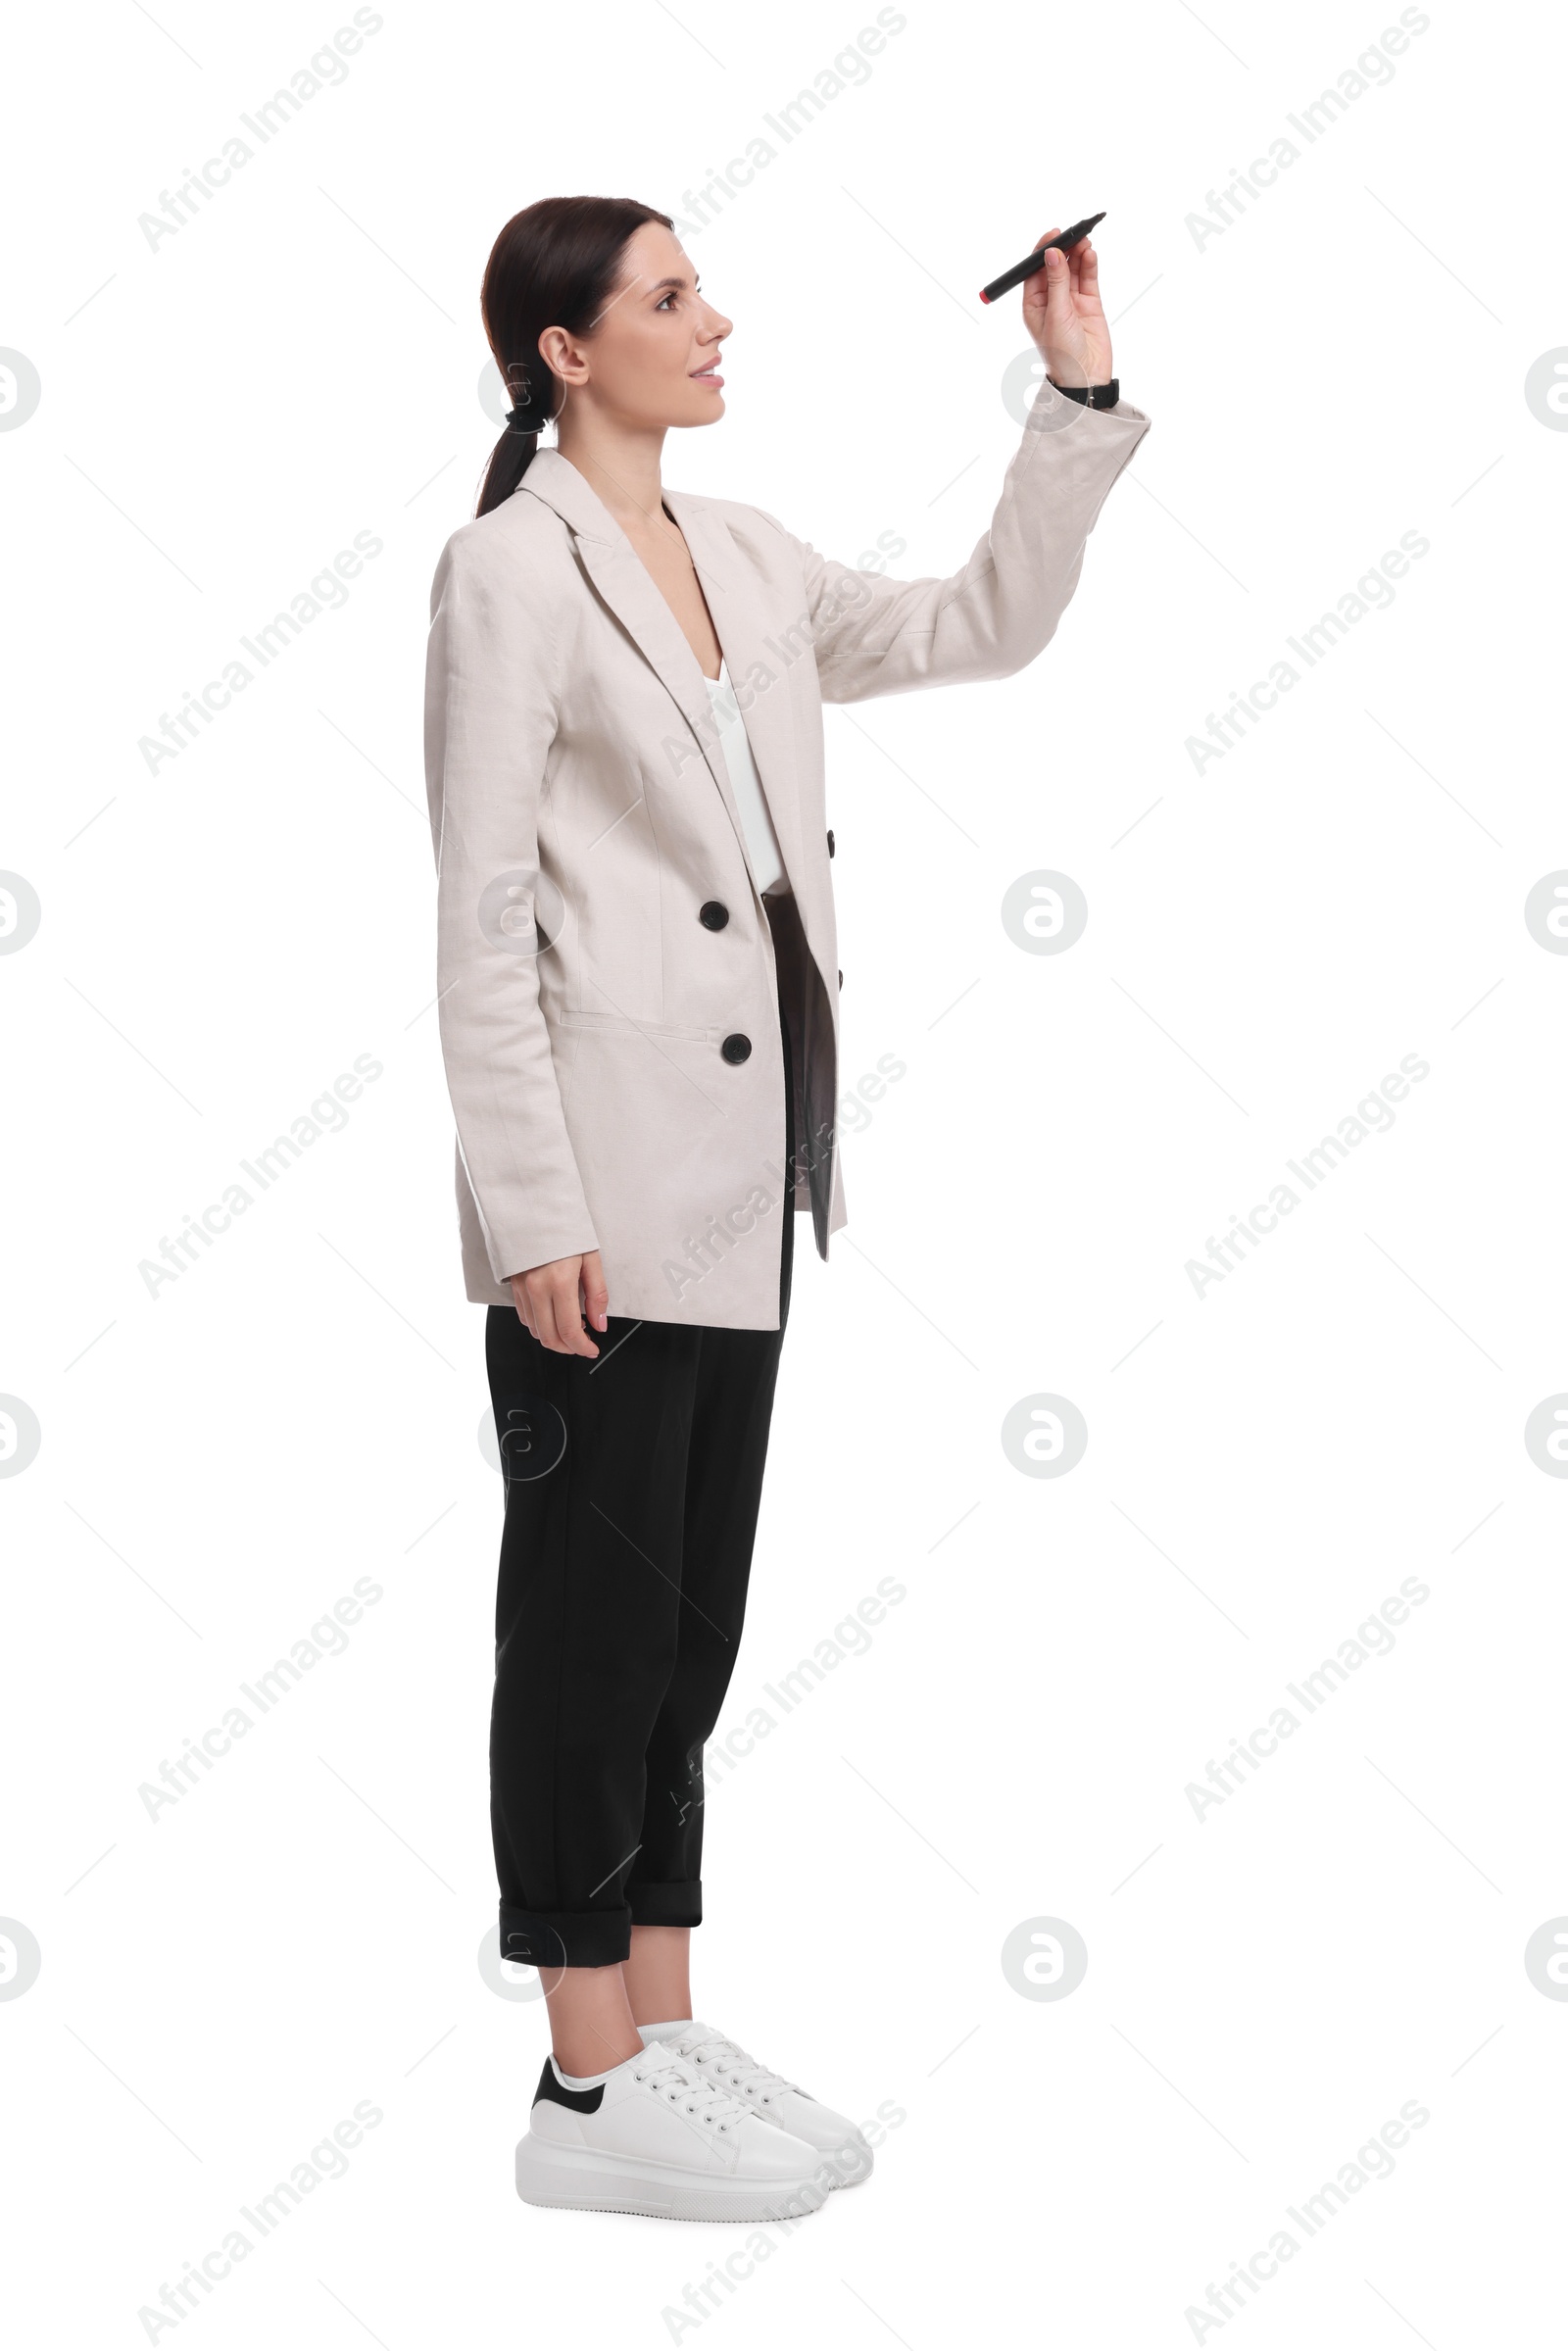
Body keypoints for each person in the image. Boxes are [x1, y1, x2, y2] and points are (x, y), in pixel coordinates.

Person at [423, 193, 1150, 2221]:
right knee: (582, 1632)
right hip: (601, 1190)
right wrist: (526, 1201)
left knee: (682, 1631)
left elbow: (973, 625)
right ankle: (579, 2087)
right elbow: (481, 922)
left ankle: (656, 2027)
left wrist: (1070, 398)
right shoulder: (508, 574)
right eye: (668, 298)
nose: (713, 319)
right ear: (568, 351)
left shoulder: (739, 554)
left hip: (742, 1187)